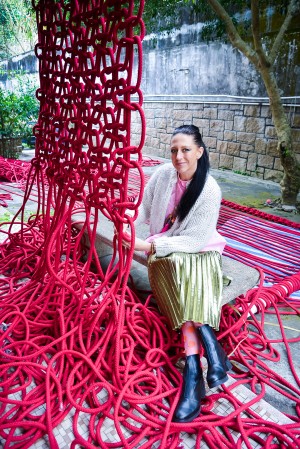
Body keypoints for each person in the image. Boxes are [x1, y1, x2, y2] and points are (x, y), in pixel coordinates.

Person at [122, 124, 232, 423]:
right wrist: (126, 223)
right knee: (170, 267)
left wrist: (146, 244)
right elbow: (142, 209)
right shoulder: (162, 175)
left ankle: (194, 370)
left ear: (200, 151)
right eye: (174, 150)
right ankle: (209, 352)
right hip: (166, 247)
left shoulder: (209, 190)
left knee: (177, 269)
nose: (178, 156)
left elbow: (194, 241)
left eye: (185, 149)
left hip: (201, 250)